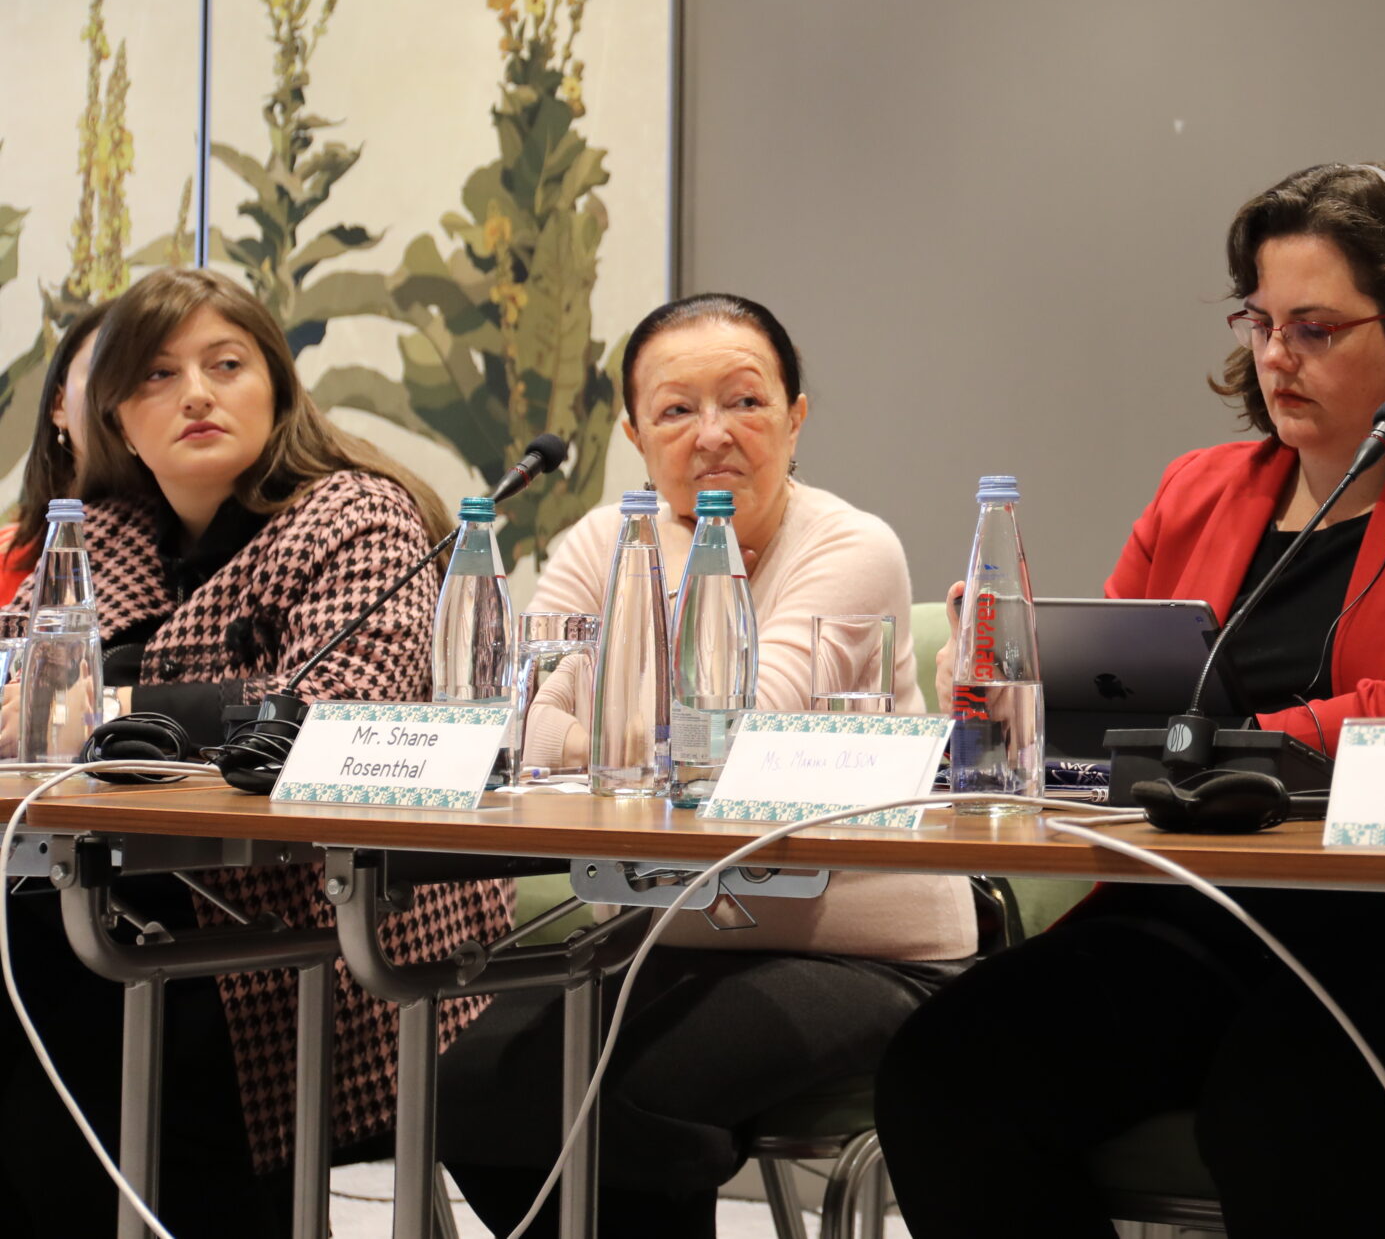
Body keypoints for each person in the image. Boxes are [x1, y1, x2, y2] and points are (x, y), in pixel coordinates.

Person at [876, 162, 1385, 1239]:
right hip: (1220, 919)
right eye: (1260, 322)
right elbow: (1116, 704)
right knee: (948, 1071)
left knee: (1290, 1103)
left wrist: (1225, 750)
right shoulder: (1200, 489)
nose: (1274, 356)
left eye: (1316, 329)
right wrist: (1023, 695)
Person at [438, 293, 974, 1239]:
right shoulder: (604, 538)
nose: (713, 434)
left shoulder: (853, 545)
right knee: (472, 1082)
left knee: (621, 1094)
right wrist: (611, 734)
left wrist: (598, 726)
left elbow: (732, 745)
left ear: (796, 418)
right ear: (635, 434)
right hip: (662, 939)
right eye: (677, 410)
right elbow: (510, 727)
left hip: (859, 947)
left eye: (746, 402)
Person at [0, 268, 506, 1237]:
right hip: (123, 894)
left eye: (225, 365)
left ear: (276, 387)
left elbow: (345, 713)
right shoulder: (93, 538)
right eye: (157, 375)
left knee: (66, 1025)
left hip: (332, 922)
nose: (195, 393)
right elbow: (17, 703)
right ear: (116, 419)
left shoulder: (357, 514)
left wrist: (111, 705)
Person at [0, 300, 110, 594]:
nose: (123, 394)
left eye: (156, 374)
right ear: (59, 403)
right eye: (106, 371)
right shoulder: (7, 564)